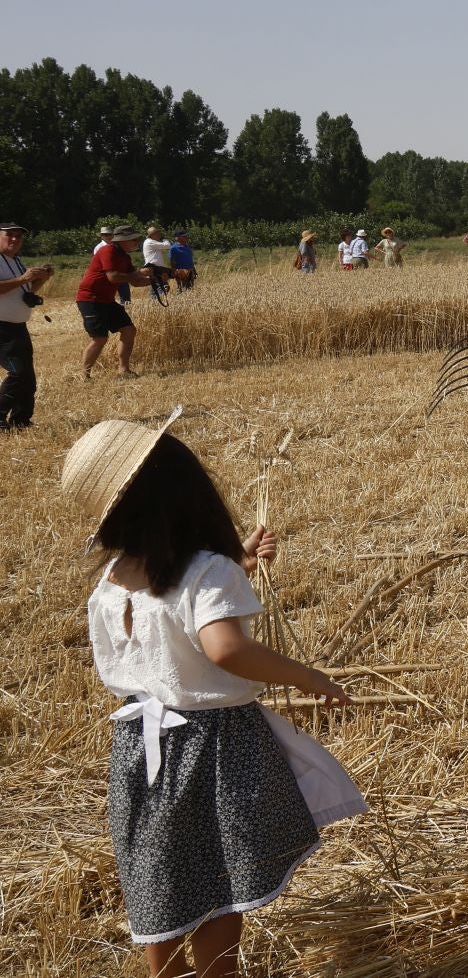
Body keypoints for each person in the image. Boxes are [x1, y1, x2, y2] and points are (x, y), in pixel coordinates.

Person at [64, 415, 363, 978]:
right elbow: (224, 649)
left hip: (139, 749)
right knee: (221, 880)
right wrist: (308, 676)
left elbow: (168, 615)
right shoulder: (207, 570)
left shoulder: (114, 576)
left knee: (162, 875)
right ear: (189, 495)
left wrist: (238, 565)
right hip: (213, 749)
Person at [77, 226, 152, 379]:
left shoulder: (125, 256)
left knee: (129, 330)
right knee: (100, 338)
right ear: (123, 240)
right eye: (134, 239)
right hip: (90, 299)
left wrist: (155, 280)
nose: (137, 241)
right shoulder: (107, 251)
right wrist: (138, 273)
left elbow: (135, 282)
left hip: (106, 300)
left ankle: (123, 370)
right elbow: (113, 277)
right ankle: (84, 375)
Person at [0, 221, 54, 429]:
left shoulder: (16, 260)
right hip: (2, 331)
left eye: (18, 236)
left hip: (18, 328)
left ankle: (21, 420)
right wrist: (24, 278)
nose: (14, 239)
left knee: (28, 378)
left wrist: (41, 278)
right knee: (17, 372)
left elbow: (26, 291)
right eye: (9, 235)